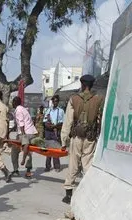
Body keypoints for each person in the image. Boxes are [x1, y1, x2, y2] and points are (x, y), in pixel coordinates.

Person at [61, 75, 104, 204]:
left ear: (81, 84)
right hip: (90, 137)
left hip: (77, 136)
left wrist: (64, 140)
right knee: (87, 164)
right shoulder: (99, 99)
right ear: (91, 85)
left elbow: (68, 121)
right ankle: (88, 193)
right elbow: (101, 120)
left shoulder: (73, 99)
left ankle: (69, 194)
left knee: (73, 164)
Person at [11, 96, 38, 178]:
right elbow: (19, 123)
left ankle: (16, 170)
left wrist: (23, 136)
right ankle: (28, 170)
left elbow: (22, 124)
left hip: (25, 133)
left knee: (14, 151)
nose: (12, 103)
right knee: (28, 151)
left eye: (12, 102)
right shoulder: (23, 109)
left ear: (15, 103)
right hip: (32, 132)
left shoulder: (18, 110)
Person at [44, 95, 65, 172]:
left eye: (56, 101)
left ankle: (57, 167)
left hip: (56, 131)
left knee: (55, 149)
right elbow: (45, 121)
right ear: (52, 102)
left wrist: (54, 126)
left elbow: (62, 122)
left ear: (58, 102)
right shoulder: (48, 110)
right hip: (48, 132)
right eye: (53, 101)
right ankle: (47, 166)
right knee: (48, 149)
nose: (55, 102)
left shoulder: (61, 111)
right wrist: (48, 125)